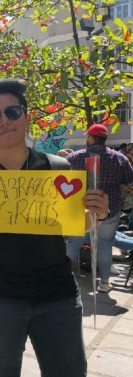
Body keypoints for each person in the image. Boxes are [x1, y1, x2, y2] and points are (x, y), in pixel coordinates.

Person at [0, 79, 109, 377]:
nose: (4, 121)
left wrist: (97, 214)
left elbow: (74, 227)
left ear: (26, 117)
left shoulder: (58, 168)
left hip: (55, 294)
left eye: (11, 112)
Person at [66, 124, 133, 292]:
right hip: (110, 210)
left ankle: (61, 277)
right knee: (105, 244)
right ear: (105, 139)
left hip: (81, 210)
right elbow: (130, 184)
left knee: (74, 242)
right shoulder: (120, 158)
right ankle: (104, 283)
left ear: (90, 138)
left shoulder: (74, 158)